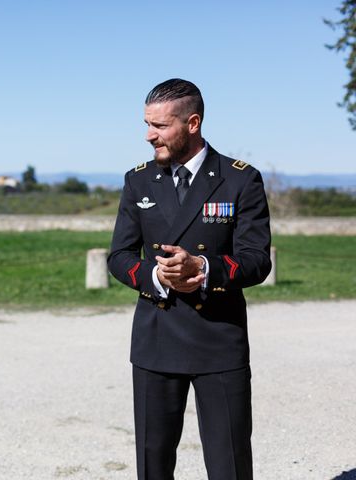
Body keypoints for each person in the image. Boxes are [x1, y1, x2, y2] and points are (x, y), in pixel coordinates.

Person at [108, 79, 271, 480]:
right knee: (154, 463)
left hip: (219, 338)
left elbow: (256, 260)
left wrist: (203, 269)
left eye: (160, 126)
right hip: (156, 338)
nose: (149, 135)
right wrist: (156, 275)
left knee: (229, 463)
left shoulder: (239, 179)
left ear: (192, 123)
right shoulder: (138, 180)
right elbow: (120, 256)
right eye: (147, 124)